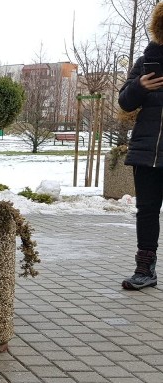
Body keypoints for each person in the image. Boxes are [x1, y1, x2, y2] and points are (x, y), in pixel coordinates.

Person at [118, 2, 163, 291]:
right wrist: (140, 87)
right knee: (147, 211)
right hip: (149, 153)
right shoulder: (148, 58)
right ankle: (144, 268)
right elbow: (125, 101)